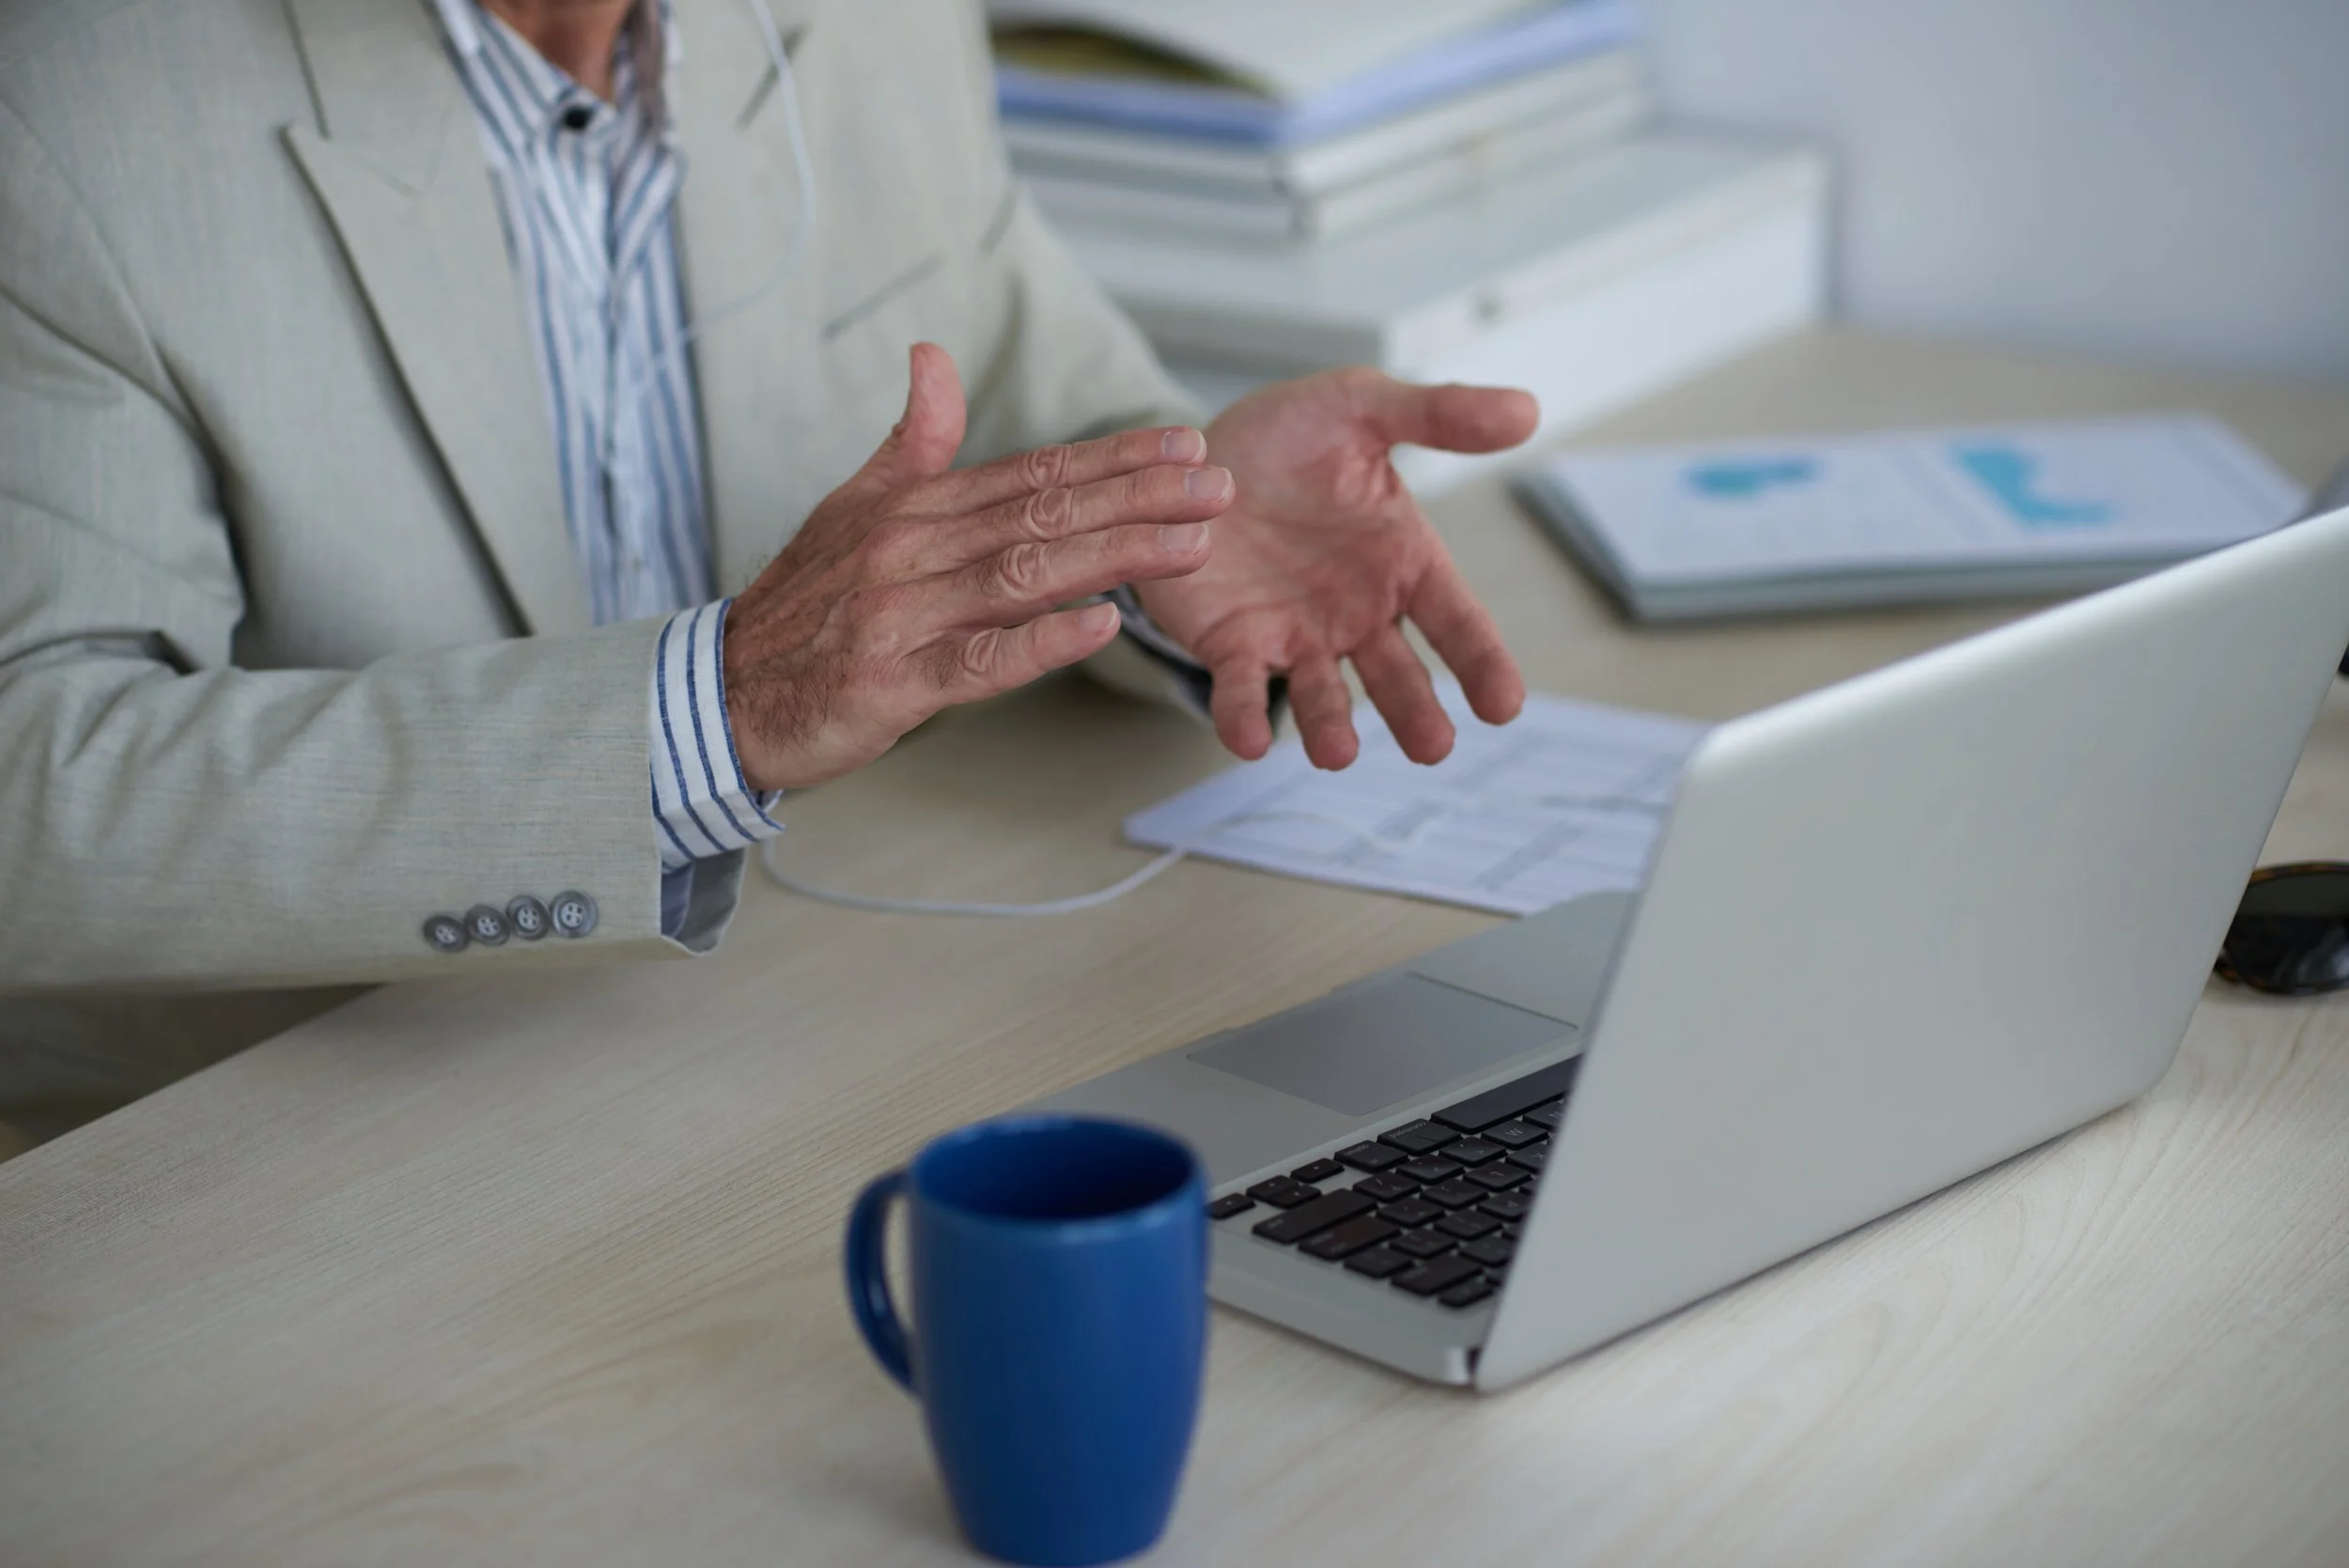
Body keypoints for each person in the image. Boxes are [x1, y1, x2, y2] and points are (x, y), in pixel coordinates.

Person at [0, 0, 1537, 1148]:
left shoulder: (870, 24)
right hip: (280, 1137)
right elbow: (31, 788)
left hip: (801, 1037)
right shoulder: (63, 111)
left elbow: (1031, 386)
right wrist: (710, 714)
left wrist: (1177, 518)